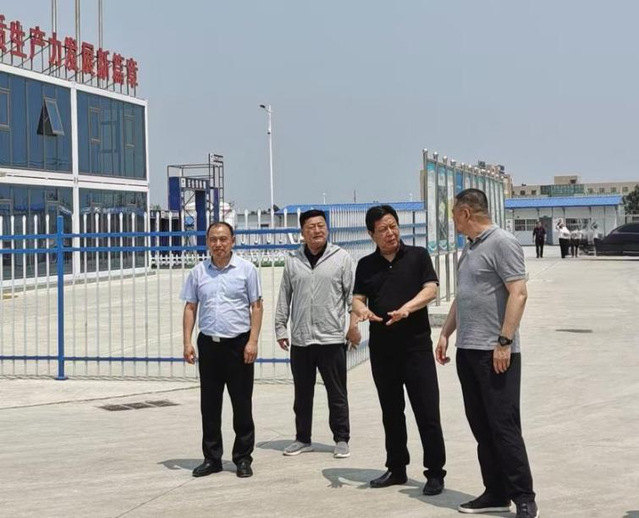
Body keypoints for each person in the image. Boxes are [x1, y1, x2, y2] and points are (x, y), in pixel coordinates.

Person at [436, 189, 539, 518]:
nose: (452, 220)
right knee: (481, 426)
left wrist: (504, 342)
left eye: (454, 213)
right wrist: (445, 332)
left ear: (466, 213)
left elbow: (518, 293)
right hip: (468, 351)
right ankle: (496, 492)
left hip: (495, 353)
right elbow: (464, 295)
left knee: (504, 426)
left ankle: (524, 496)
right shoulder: (469, 248)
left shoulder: (502, 242)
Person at [351, 205, 447, 496]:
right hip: (382, 350)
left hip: (416, 348)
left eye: (393, 226)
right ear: (372, 234)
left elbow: (431, 289)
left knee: (427, 411)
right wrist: (361, 310)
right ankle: (396, 468)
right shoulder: (366, 265)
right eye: (383, 229)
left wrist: (407, 308)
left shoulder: (418, 256)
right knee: (391, 412)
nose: (390, 233)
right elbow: (357, 298)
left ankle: (434, 472)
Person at [181, 222, 263, 479]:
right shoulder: (198, 272)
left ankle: (242, 458)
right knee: (210, 405)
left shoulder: (247, 270)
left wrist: (252, 341)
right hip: (209, 345)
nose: (218, 244)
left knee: (242, 404)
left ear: (232, 241)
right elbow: (190, 307)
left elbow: (256, 306)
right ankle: (212, 458)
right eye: (213, 239)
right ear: (207, 242)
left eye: (223, 239)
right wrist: (187, 342)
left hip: (238, 345)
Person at [275, 209, 360, 458]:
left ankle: (341, 439)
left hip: (331, 338)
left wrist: (353, 325)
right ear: (302, 232)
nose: (317, 230)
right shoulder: (293, 260)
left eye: (321, 225)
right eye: (311, 227)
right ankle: (303, 438)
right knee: (302, 394)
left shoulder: (341, 258)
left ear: (327, 228)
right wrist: (281, 327)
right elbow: (285, 295)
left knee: (337, 392)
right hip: (301, 339)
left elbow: (353, 296)